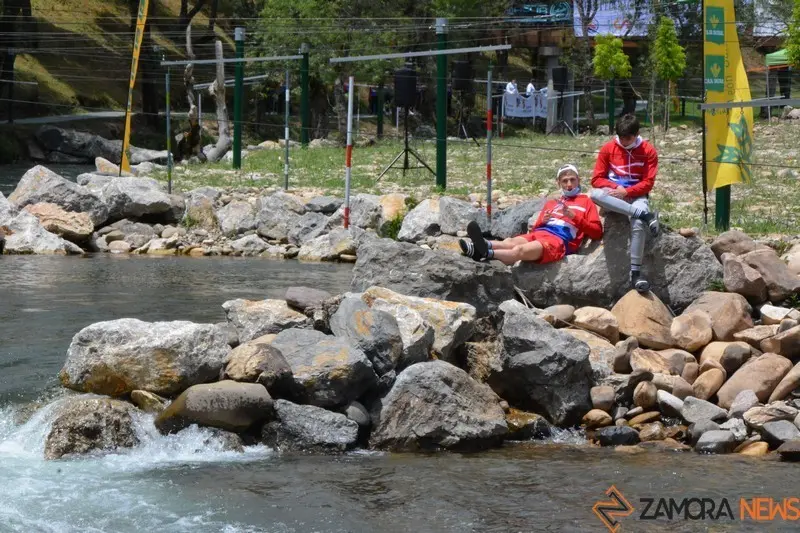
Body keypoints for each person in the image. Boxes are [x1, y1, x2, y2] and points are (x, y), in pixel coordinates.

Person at [460, 164, 603, 266]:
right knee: (509, 242)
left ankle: (485, 252)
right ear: (558, 183)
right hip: (541, 233)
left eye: (572, 179)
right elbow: (535, 230)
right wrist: (543, 221)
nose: (569, 184)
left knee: (519, 250)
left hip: (559, 241)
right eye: (565, 181)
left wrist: (574, 217)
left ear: (579, 180)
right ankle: (479, 247)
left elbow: (597, 233)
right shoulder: (553, 203)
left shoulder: (586, 202)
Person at [590, 113, 661, 293]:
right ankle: (646, 215)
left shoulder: (649, 151)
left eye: (628, 138)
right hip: (613, 194)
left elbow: (648, 182)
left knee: (637, 224)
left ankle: (635, 273)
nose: (624, 141)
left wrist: (628, 192)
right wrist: (616, 188)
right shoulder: (608, 148)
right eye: (621, 137)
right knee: (594, 194)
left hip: (637, 195)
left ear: (637, 134)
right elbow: (597, 179)